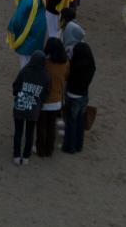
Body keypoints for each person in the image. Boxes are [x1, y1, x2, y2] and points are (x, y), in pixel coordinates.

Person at [61, 23, 95, 154]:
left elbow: (67, 76)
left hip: (72, 95)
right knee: (80, 121)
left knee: (71, 122)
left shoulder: (74, 66)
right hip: (84, 95)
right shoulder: (89, 66)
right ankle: (79, 145)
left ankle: (69, 147)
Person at [11, 50, 49, 165]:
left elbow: (15, 86)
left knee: (18, 132)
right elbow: (45, 94)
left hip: (20, 106)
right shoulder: (45, 76)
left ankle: (17, 155)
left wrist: (18, 94)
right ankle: (26, 156)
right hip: (33, 109)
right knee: (29, 133)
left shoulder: (24, 71)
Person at [37, 37, 69, 157]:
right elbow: (66, 77)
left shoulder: (44, 63)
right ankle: (49, 150)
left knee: (41, 126)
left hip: (44, 100)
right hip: (57, 100)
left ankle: (41, 149)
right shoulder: (65, 63)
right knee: (51, 126)